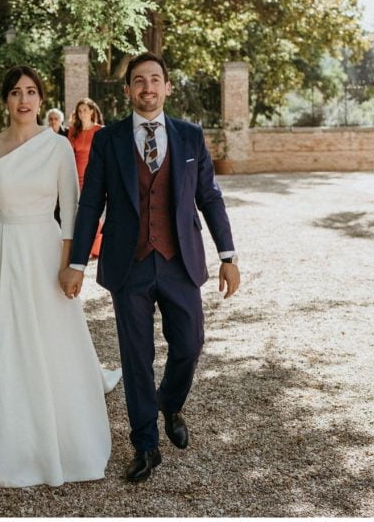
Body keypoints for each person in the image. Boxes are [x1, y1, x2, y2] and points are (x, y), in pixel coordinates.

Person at [0, 65, 120, 488]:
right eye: (15, 92)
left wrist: (72, 265)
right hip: (0, 247)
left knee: (46, 335)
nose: (24, 100)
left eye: (31, 92)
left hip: (43, 248)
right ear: (6, 99)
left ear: (40, 98)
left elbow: (71, 210)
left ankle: (46, 421)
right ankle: (2, 413)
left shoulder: (56, 147)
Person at [59, 52, 240, 483]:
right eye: (138, 81)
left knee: (190, 343)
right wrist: (77, 262)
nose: (147, 88)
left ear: (168, 87)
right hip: (129, 263)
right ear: (127, 91)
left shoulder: (191, 136)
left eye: (155, 80)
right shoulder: (109, 140)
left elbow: (209, 197)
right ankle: (145, 444)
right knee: (136, 357)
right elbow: (90, 205)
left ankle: (170, 402)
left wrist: (228, 256)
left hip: (181, 261)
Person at [68, 97, 105, 257]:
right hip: (76, 176)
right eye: (80, 111)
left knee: (93, 211)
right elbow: (68, 154)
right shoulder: (73, 131)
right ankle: (82, 247)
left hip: (94, 176)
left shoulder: (100, 131)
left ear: (92, 111)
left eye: (85, 110)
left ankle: (96, 248)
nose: (82, 113)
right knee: (79, 213)